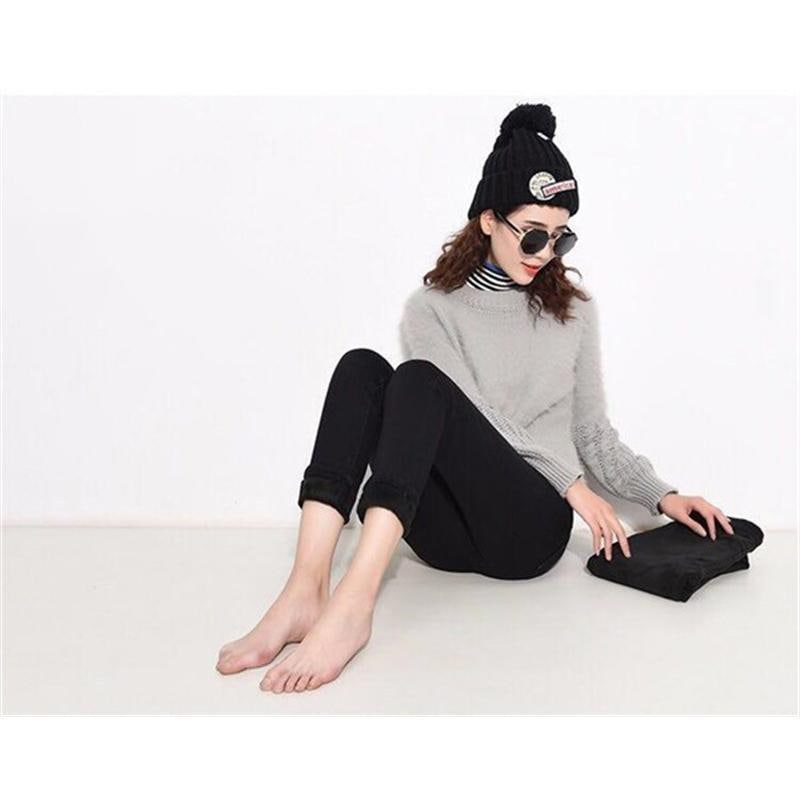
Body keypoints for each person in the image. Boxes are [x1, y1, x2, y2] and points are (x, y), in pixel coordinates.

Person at [216, 103, 734, 693]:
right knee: (364, 368)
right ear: (489, 219)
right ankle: (305, 589)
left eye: (560, 238)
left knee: (418, 380)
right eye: (532, 234)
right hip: (439, 535)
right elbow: (464, 408)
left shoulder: (574, 312)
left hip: (527, 528)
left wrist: (661, 495)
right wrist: (575, 484)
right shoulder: (432, 310)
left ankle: (353, 605)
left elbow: (592, 433)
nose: (544, 253)